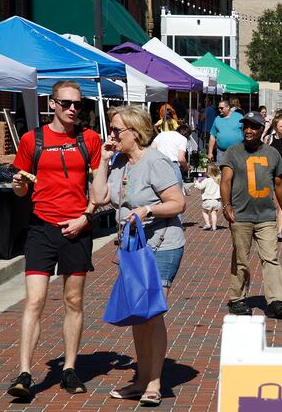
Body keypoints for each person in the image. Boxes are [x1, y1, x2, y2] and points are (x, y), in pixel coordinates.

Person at [7, 80, 102, 399]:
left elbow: (100, 190)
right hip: (42, 228)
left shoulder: (90, 139)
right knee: (35, 300)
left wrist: (85, 217)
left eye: (79, 104)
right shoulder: (31, 140)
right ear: (52, 104)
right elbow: (20, 189)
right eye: (67, 103)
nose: (74, 109)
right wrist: (19, 184)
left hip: (77, 228)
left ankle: (70, 369)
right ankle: (24, 373)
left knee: (73, 301)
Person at [89, 105, 185, 406]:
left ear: (136, 133)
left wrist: (147, 209)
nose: (112, 135)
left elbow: (178, 203)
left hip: (161, 244)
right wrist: (103, 162)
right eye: (112, 130)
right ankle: (141, 379)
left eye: (117, 130)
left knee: (152, 314)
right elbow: (99, 197)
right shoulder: (118, 161)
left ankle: (154, 382)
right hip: (132, 246)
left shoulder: (155, 161)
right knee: (137, 316)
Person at [221, 111, 282, 319]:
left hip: (266, 216)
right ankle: (238, 299)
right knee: (241, 259)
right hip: (241, 216)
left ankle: (277, 300)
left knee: (270, 257)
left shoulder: (272, 154)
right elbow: (225, 180)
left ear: (262, 130)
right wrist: (226, 205)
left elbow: (279, 185)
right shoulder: (233, 152)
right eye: (246, 127)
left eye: (253, 127)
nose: (249, 130)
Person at [193, 163, 222, 230]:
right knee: (213, 213)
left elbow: (200, 187)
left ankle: (208, 224)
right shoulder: (218, 179)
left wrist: (196, 182)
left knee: (204, 211)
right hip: (217, 201)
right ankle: (214, 226)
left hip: (208, 200)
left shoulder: (207, 180)